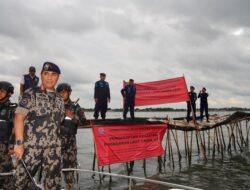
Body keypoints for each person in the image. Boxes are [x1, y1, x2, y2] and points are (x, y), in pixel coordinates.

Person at [13, 62, 65, 190]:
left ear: (58, 77)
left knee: (52, 185)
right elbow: (19, 118)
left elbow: (60, 122)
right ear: (41, 75)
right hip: (31, 149)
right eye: (46, 74)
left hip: (53, 150)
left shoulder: (60, 99)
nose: (49, 77)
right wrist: (19, 143)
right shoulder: (31, 93)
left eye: (53, 74)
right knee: (21, 183)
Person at [56, 83, 86, 190]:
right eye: (60, 92)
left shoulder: (75, 107)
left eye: (64, 92)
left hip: (70, 141)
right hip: (56, 141)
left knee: (70, 164)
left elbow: (83, 121)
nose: (62, 94)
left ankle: (69, 186)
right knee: (54, 165)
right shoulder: (54, 106)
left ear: (69, 93)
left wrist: (73, 116)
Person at [0, 81, 16, 190]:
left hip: (4, 148)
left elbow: (16, 128)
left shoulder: (12, 109)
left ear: (9, 93)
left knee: (6, 174)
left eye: (2, 91)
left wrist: (11, 145)